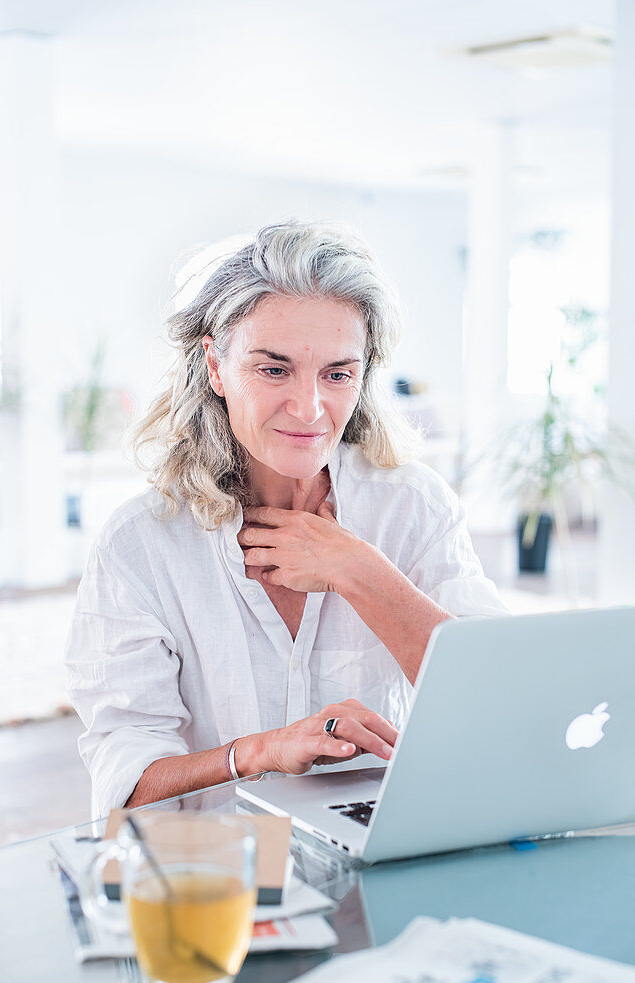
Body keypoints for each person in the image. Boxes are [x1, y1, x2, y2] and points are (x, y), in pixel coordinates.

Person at [65, 222, 507, 817]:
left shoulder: (413, 506)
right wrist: (260, 751)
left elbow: (496, 703)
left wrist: (361, 571)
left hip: (384, 852)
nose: (309, 408)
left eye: (338, 373)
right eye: (273, 370)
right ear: (216, 367)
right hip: (220, 878)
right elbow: (126, 788)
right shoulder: (141, 543)